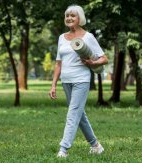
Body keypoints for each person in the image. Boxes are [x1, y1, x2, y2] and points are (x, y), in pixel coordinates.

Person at [49, 4, 108, 158]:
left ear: (79, 18)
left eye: (72, 16)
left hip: (81, 80)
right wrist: (53, 84)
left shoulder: (88, 37)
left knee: (73, 113)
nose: (69, 18)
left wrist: (93, 63)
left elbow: (104, 58)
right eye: (67, 16)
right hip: (66, 80)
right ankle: (96, 146)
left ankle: (63, 149)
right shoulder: (62, 37)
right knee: (79, 114)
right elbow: (58, 63)